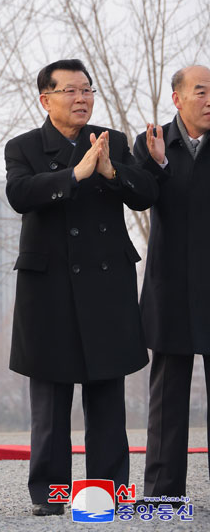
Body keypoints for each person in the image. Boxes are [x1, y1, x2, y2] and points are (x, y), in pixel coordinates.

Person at [5, 58, 156, 516]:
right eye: (69, 91)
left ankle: (105, 495)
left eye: (86, 90)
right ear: (45, 98)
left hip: (105, 284)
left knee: (107, 395)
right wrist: (75, 174)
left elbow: (147, 193)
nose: (81, 99)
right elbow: (20, 194)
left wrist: (110, 170)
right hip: (47, 287)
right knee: (50, 399)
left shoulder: (114, 142)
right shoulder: (24, 146)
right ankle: (50, 498)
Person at [135, 65, 210, 499]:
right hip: (171, 283)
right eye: (200, 91)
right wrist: (160, 162)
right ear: (178, 99)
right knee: (167, 394)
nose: (208, 99)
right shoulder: (152, 141)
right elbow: (139, 196)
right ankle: (163, 492)